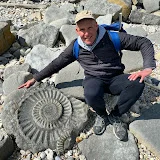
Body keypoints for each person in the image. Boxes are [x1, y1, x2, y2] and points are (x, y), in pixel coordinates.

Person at [18, 10, 156, 141]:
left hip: (115, 78)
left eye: (90, 28)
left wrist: (147, 67)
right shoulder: (75, 47)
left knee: (137, 83)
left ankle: (115, 115)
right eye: (82, 30)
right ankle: (102, 115)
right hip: (94, 79)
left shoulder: (112, 37)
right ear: (77, 31)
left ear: (96, 26)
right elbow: (56, 64)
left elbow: (143, 42)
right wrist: (35, 79)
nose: (87, 33)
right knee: (91, 93)